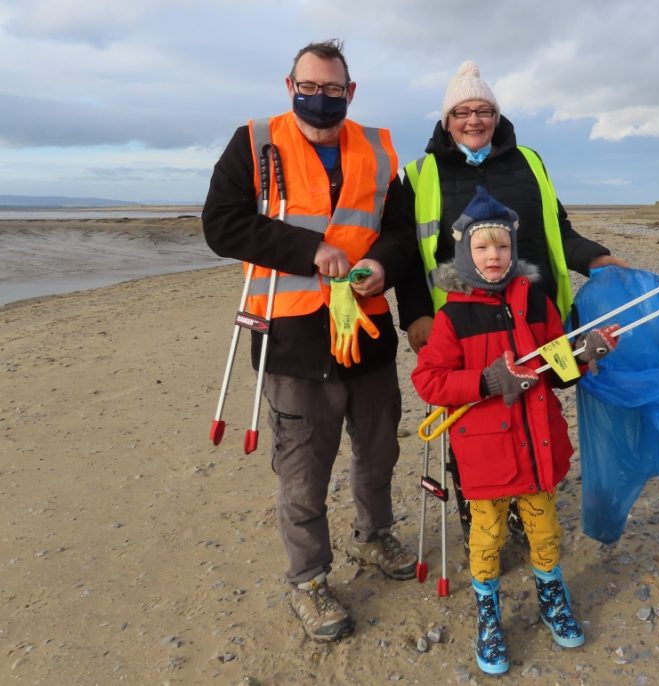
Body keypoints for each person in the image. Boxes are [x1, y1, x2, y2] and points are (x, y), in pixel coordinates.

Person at [202, 39, 417, 643]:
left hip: (367, 336)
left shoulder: (377, 149)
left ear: (351, 92)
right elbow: (221, 224)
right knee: (303, 474)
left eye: (332, 89)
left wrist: (382, 264)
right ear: (289, 85)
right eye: (309, 86)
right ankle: (308, 580)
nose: (319, 99)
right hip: (292, 340)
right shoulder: (254, 141)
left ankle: (374, 539)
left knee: (378, 456)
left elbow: (400, 231)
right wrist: (307, 249)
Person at [395, 59, 628, 544]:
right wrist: (416, 313)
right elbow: (405, 248)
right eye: (462, 112)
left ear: (497, 117)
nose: (474, 121)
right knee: (476, 419)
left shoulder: (530, 162)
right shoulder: (419, 173)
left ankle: (530, 512)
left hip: (532, 311)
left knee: (533, 408)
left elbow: (556, 229)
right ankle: (481, 515)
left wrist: (597, 258)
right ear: (446, 121)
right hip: (460, 322)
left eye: (484, 110)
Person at [410, 187, 619, 675]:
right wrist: (486, 381)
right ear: (466, 253)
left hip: (539, 447)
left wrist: (585, 355)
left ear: (514, 250)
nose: (493, 256)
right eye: (482, 247)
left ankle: (551, 593)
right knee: (486, 541)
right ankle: (488, 612)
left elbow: (555, 367)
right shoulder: (453, 315)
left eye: (502, 246)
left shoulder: (539, 302)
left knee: (546, 530)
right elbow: (429, 381)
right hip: (486, 457)